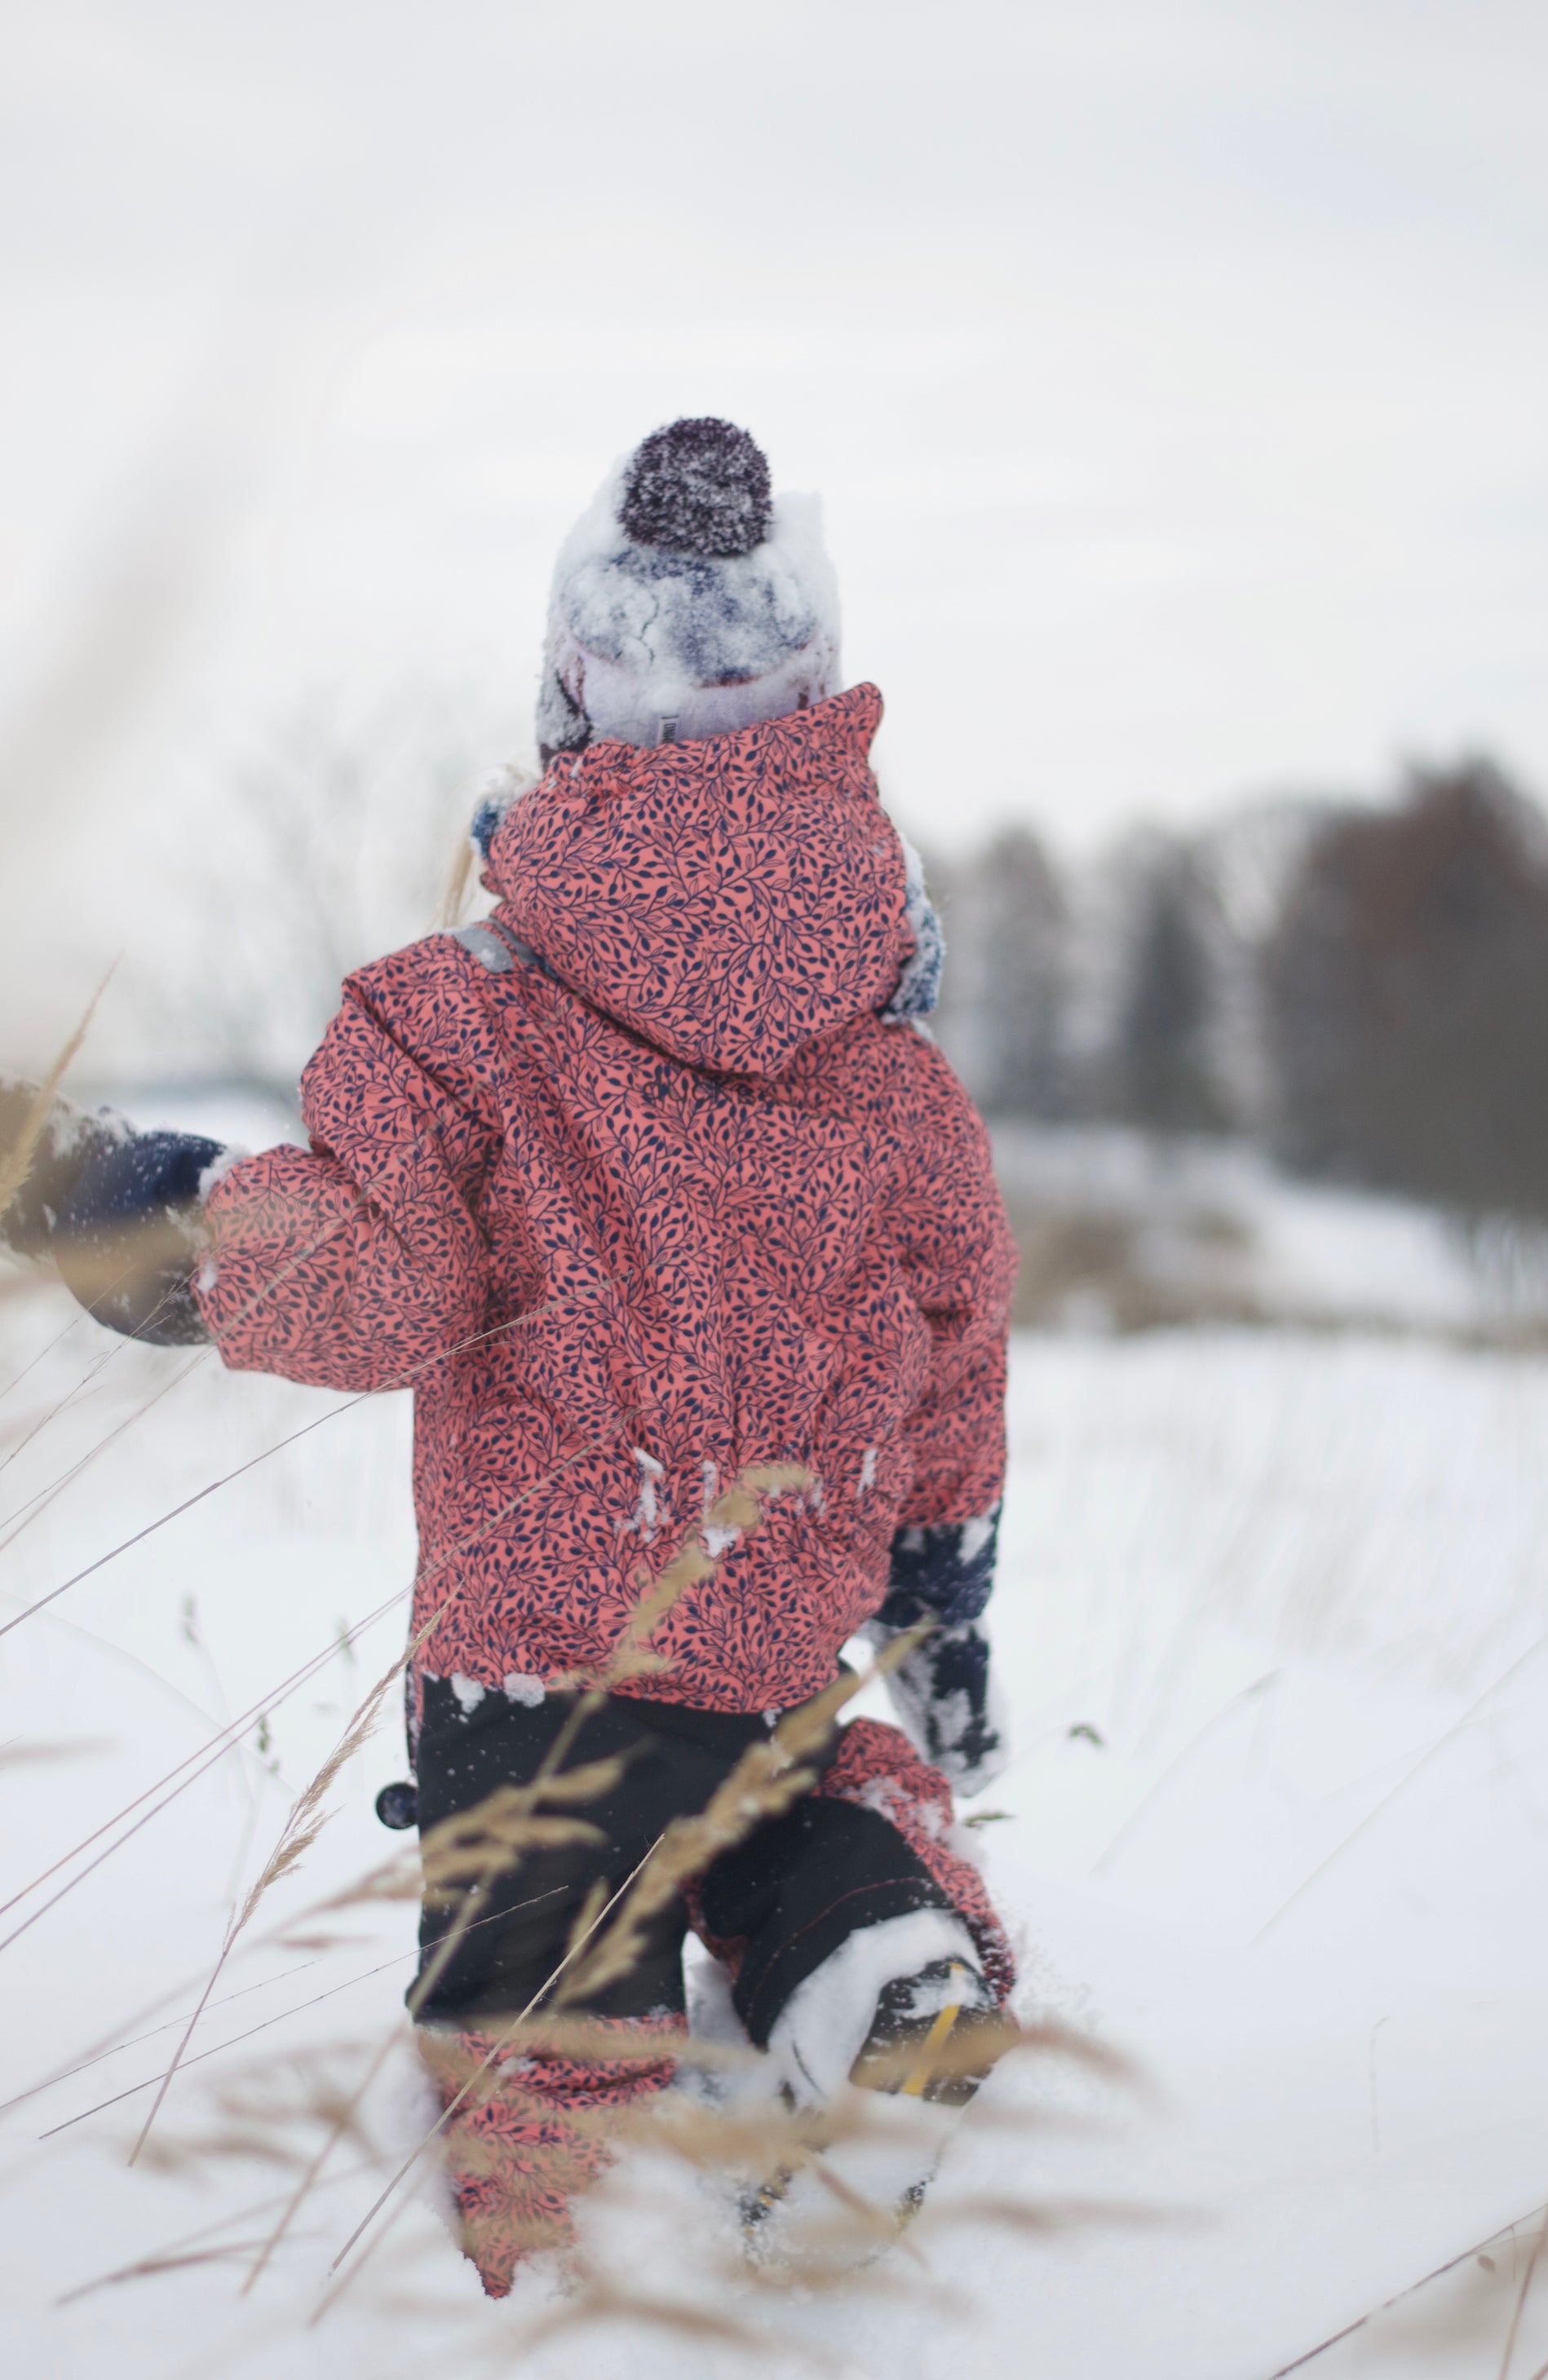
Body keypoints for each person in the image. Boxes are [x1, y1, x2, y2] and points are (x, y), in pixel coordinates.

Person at [0, 418, 1018, 2294]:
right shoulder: (898, 1081)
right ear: (812, 709)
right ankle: (860, 1946)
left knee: (541, 2042)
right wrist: (945, 1585)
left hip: (528, 1674)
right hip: (772, 1639)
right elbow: (953, 1345)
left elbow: (367, 1282)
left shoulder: (462, 1024)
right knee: (798, 1801)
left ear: (567, 700)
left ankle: (566, 2281)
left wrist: (131, 1203)